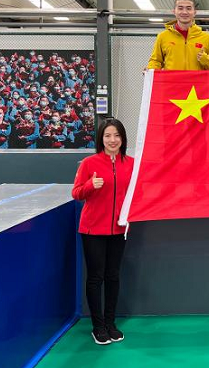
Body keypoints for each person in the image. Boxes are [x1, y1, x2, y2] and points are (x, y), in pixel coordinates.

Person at [71, 119, 135, 346]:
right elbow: (76, 193)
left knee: (113, 276)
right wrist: (90, 185)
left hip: (119, 229)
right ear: (101, 139)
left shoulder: (131, 164)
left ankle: (110, 323)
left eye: (116, 135)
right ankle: (98, 326)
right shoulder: (89, 163)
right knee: (96, 277)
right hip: (92, 229)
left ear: (123, 138)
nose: (112, 140)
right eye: (108, 135)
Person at [148, 0, 209, 70]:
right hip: (172, 78)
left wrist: (205, 59)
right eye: (180, 8)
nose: (184, 12)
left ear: (194, 12)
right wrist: (150, 69)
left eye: (188, 8)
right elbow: (155, 61)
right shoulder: (163, 36)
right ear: (174, 12)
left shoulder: (207, 38)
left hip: (197, 78)